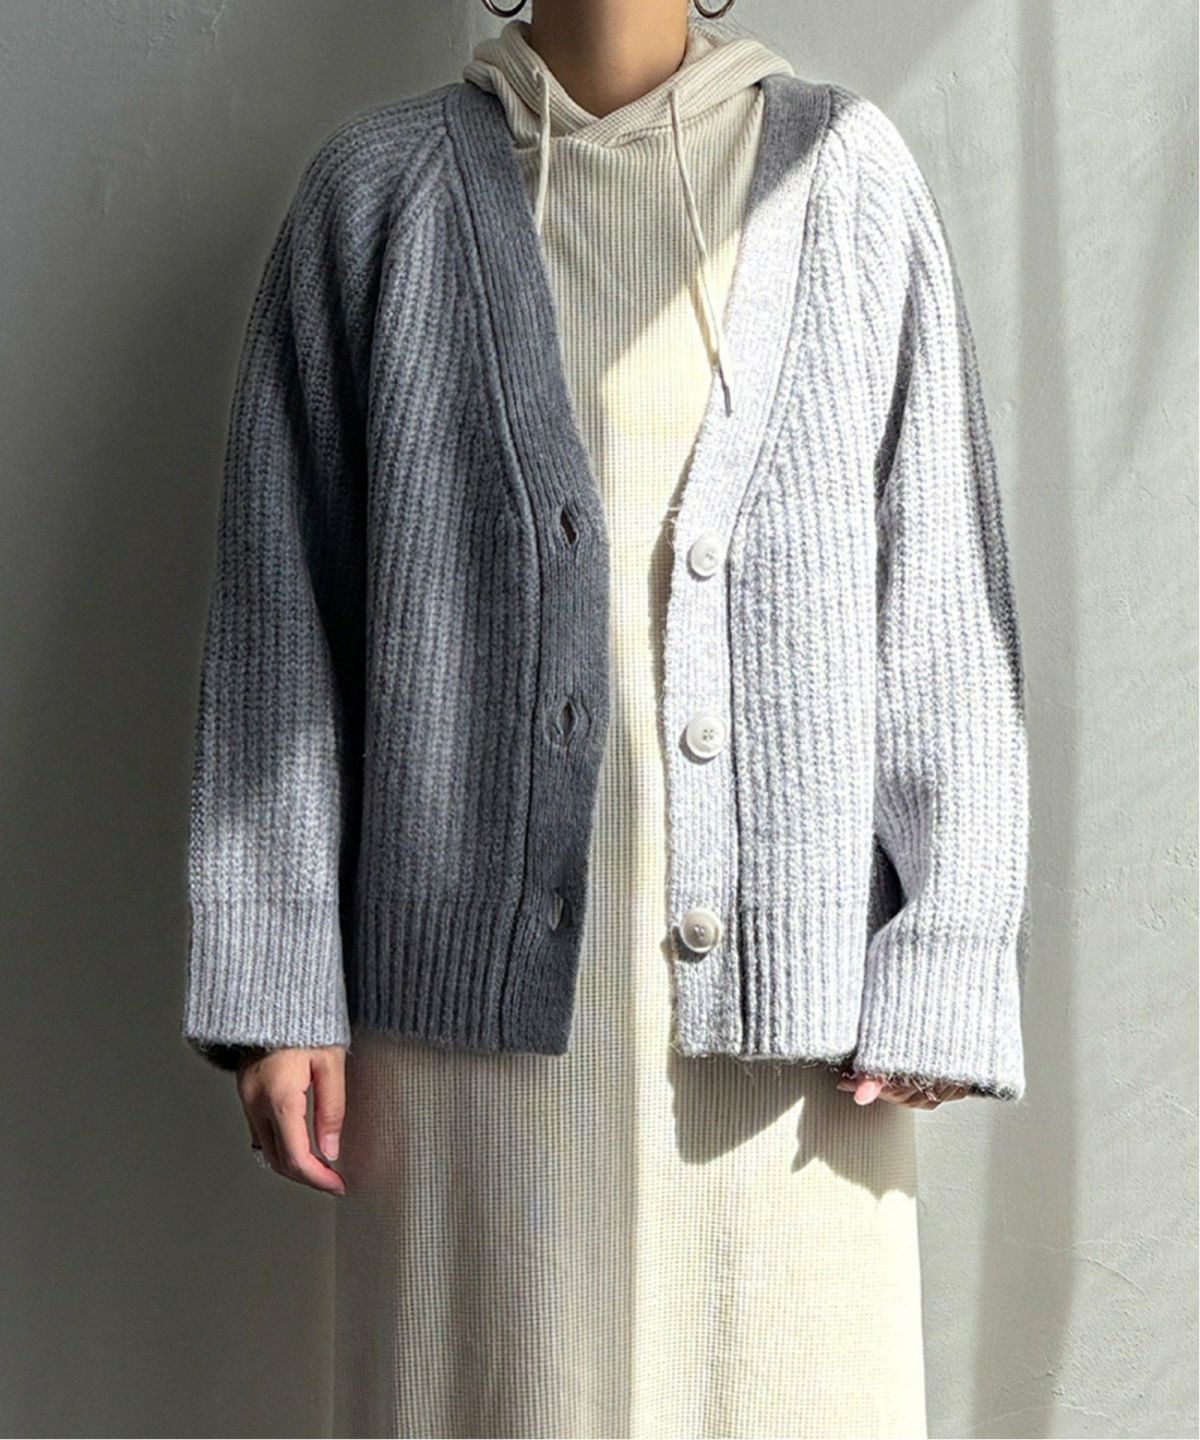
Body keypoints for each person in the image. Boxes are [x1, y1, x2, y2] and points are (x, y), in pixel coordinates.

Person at [181, 1, 1031, 1435]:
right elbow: (280, 611)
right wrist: (276, 981)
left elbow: (942, 591)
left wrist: (946, 946)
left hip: (798, 1058)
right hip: (464, 1061)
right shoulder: (376, 198)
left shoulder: (846, 178)